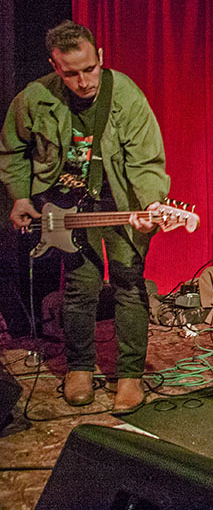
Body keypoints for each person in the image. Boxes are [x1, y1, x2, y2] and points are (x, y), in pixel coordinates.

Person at [0, 20, 169, 413]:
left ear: (100, 58)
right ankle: (78, 368)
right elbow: (12, 150)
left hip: (121, 199)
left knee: (129, 282)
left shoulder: (125, 95)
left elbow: (146, 160)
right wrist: (20, 197)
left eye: (90, 69)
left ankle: (129, 375)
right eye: (71, 73)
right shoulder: (34, 97)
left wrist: (150, 206)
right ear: (55, 67)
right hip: (67, 206)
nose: (84, 81)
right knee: (80, 287)